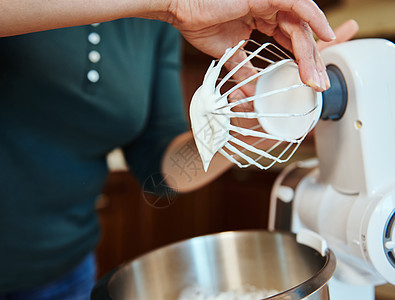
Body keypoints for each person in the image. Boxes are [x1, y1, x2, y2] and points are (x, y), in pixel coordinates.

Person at [0, 0, 359, 298]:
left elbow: (160, 170)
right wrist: (171, 5)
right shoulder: (164, 8)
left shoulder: (153, 26)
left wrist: (238, 132)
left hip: (66, 272)